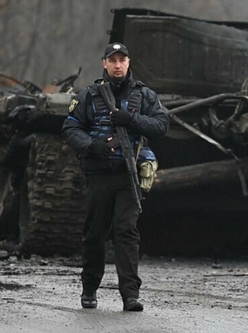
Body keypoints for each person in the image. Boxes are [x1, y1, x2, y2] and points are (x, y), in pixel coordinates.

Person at [62, 42, 170, 311]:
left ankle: (130, 295)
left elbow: (161, 125)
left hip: (127, 174)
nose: (118, 64)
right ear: (104, 64)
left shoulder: (143, 95)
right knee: (95, 233)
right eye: (113, 60)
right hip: (98, 173)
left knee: (126, 231)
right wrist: (90, 146)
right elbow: (70, 127)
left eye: (122, 60)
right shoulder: (89, 95)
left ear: (129, 63)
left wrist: (132, 121)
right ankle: (89, 290)